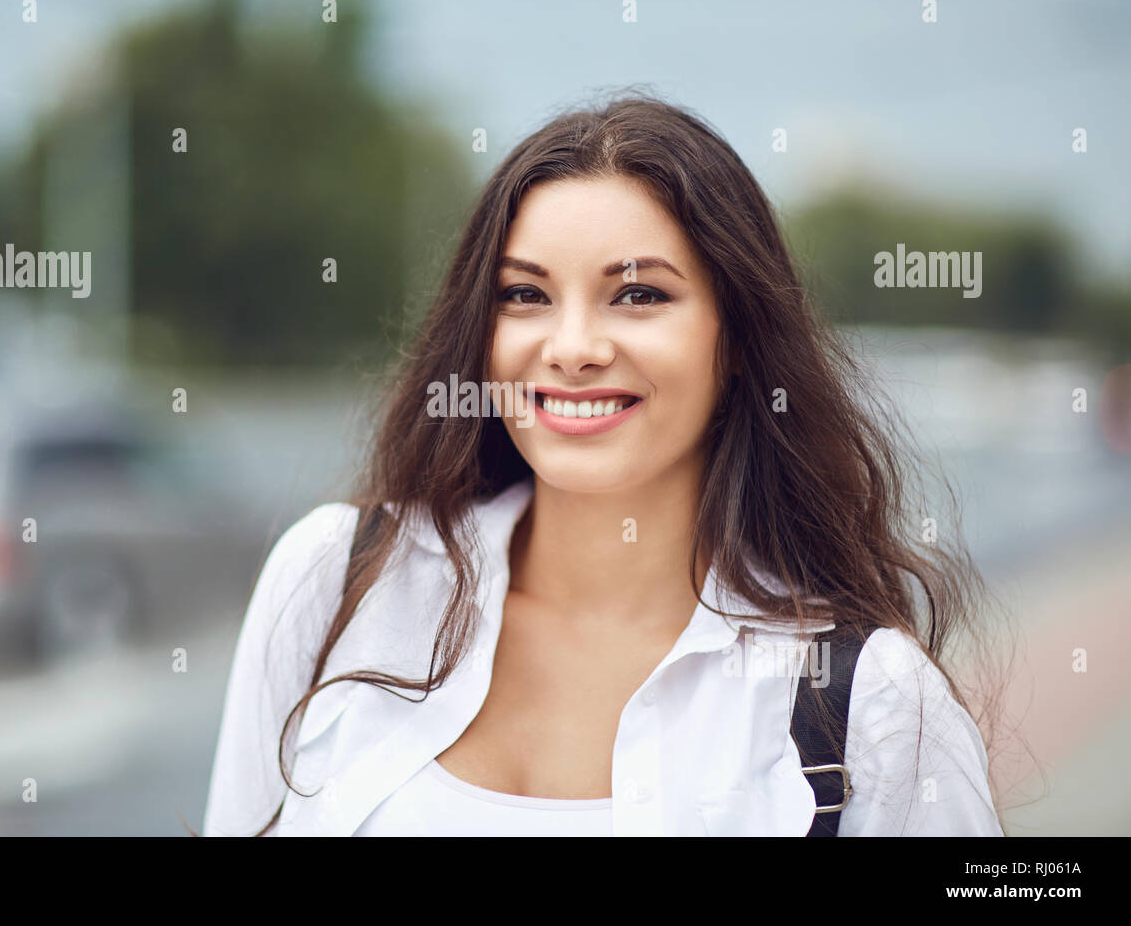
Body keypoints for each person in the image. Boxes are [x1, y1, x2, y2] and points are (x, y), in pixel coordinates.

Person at [202, 93, 1004, 836]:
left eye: (639, 295)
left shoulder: (869, 702)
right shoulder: (337, 581)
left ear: (738, 342)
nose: (574, 348)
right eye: (525, 295)